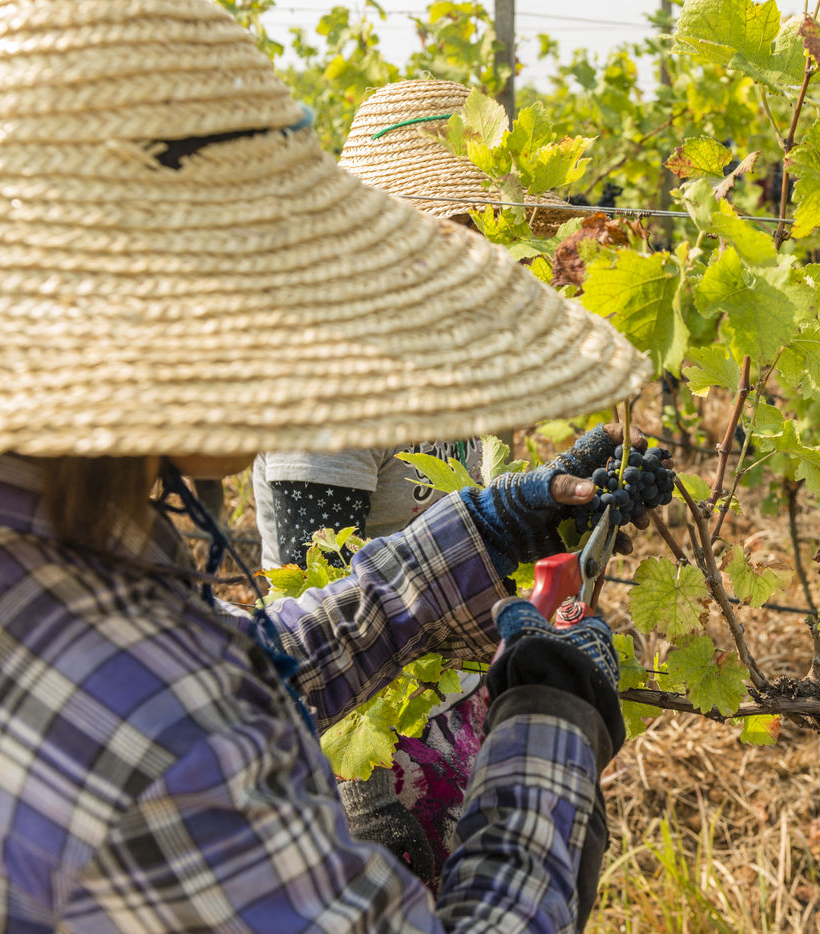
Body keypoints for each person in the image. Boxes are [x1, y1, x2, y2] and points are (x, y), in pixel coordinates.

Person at [0, 2, 650, 932]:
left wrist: (478, 532)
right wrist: (553, 721)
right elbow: (186, 708)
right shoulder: (171, 740)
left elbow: (237, 663)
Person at [255, 79, 584, 884]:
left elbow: (447, 537)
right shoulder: (330, 380)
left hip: (446, 712)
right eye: (468, 233)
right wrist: (360, 792)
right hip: (368, 743)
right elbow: (316, 594)